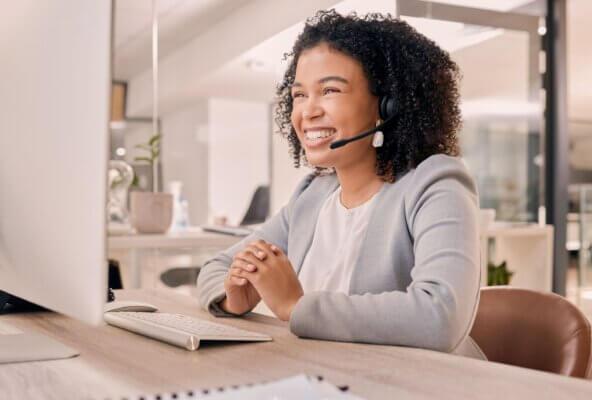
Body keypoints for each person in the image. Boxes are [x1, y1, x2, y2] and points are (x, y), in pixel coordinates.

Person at [197, 10, 484, 359]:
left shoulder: (436, 184)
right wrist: (233, 296)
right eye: (299, 95)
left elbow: (440, 316)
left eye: (329, 90)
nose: (308, 111)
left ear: (388, 105)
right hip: (330, 377)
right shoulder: (312, 196)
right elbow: (216, 267)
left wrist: (295, 305)